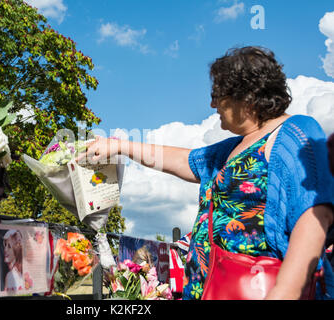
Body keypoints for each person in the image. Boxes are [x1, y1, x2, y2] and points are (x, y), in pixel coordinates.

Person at [77, 46, 334, 300]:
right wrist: (119, 145)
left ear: (246, 96)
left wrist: (285, 292)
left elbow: (313, 215)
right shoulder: (234, 146)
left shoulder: (295, 130)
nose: (212, 104)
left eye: (217, 95)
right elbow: (185, 160)